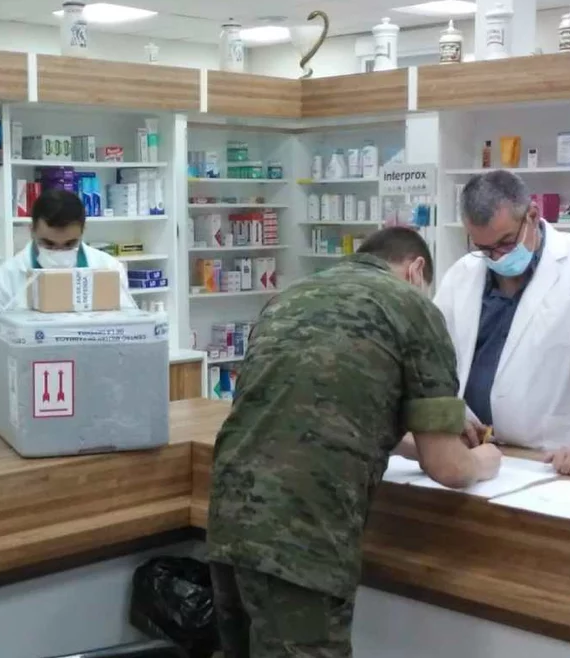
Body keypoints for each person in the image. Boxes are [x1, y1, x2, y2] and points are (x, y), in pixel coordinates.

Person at [208, 227, 502, 658]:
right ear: (416, 270)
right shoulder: (412, 308)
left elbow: (314, 411)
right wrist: (485, 459)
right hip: (301, 534)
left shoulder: (290, 298)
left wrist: (415, 439)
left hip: (229, 517)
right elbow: (450, 469)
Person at [434, 170, 570, 477]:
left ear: (532, 215)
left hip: (555, 457)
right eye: (484, 249)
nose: (497, 257)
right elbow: (433, 354)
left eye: (506, 242)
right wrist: (446, 412)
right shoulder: (463, 272)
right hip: (477, 450)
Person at [0, 188, 137, 372]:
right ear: (32, 230)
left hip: (96, 373)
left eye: (70, 244)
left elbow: (130, 329)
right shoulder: (3, 279)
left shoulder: (109, 268)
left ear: (83, 231)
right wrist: (16, 374)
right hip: (30, 378)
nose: (59, 253)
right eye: (48, 244)